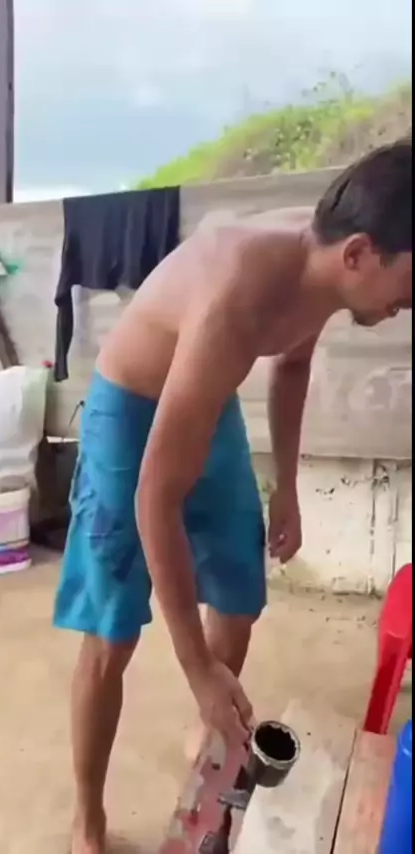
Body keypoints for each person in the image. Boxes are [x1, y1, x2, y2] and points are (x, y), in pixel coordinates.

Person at [53, 139, 412, 854]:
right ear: (360, 254)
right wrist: (196, 667)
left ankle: (209, 728)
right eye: (410, 283)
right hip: (130, 409)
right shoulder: (239, 296)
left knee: (240, 589)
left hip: (205, 401)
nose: (407, 306)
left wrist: (288, 489)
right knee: (113, 628)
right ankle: (87, 818)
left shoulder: (325, 270)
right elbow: (156, 496)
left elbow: (292, 367)